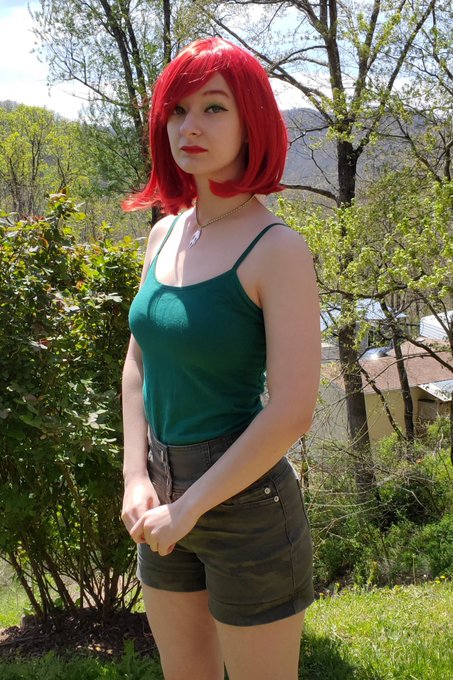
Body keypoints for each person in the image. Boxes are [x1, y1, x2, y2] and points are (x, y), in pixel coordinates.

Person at [121, 36, 321, 680]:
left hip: (245, 504)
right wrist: (136, 477)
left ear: (251, 121)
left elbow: (292, 410)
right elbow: (138, 364)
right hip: (162, 494)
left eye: (213, 107)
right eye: (178, 111)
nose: (191, 126)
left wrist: (191, 506)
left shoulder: (277, 249)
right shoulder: (163, 233)